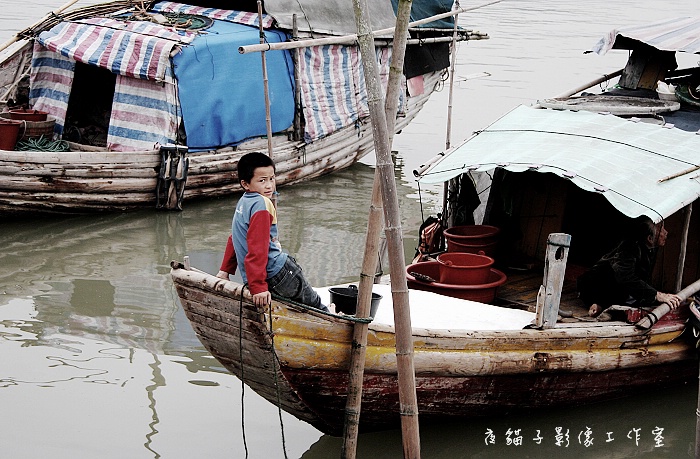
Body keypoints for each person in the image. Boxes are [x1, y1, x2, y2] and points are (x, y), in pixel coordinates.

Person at [216, 152, 331, 312]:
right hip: (280, 273)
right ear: (246, 184)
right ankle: (332, 317)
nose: (269, 185)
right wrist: (258, 287)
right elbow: (258, 248)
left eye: (272, 178)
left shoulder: (243, 202)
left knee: (302, 307)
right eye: (262, 181)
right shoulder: (262, 204)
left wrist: (225, 271)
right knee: (316, 307)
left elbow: (234, 237)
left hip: (267, 274)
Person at [577, 215, 682, 317]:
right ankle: (599, 303)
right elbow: (624, 277)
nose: (666, 232)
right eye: (661, 229)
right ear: (650, 238)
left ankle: (601, 304)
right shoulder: (630, 247)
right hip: (593, 288)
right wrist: (657, 295)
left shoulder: (649, 249)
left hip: (613, 289)